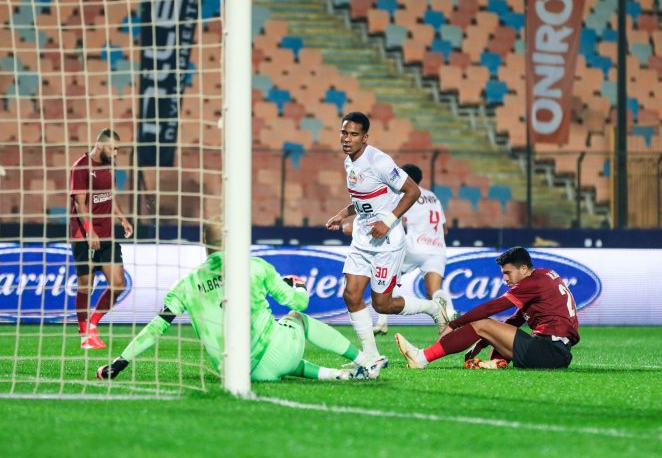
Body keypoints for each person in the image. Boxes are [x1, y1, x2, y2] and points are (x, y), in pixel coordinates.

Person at [97, 222, 386, 382]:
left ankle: (338, 375)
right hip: (276, 353)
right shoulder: (254, 265)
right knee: (297, 320)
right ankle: (365, 360)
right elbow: (299, 302)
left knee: (284, 355)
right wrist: (299, 286)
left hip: (240, 372)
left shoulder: (185, 285)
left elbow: (155, 329)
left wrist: (119, 363)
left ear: (204, 245)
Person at [325, 112, 450, 360]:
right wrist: (343, 214)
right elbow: (363, 199)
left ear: (365, 138)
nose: (347, 139)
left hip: (388, 243)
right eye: (344, 133)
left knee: (382, 305)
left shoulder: (379, 162)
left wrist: (389, 221)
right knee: (351, 294)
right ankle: (371, 355)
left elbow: (412, 192)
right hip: (362, 239)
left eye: (354, 134)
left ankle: (434, 309)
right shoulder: (349, 162)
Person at [395, 246, 579, 370]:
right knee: (490, 327)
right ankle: (497, 363)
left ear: (523, 269)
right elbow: (514, 321)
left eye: (508, 273)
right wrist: (484, 340)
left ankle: (422, 357)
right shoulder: (545, 276)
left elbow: (491, 308)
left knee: (482, 323)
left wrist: (455, 324)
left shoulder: (532, 284)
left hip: (548, 350)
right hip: (557, 353)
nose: (505, 279)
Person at [69, 128, 133, 350]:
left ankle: (93, 324)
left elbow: (110, 197)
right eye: (113, 149)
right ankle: (84, 333)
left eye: (118, 150)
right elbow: (80, 203)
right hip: (83, 236)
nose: (115, 154)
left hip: (107, 236)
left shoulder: (110, 167)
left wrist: (123, 220)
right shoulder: (81, 166)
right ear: (100, 146)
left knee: (118, 284)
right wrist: (89, 231)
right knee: (86, 286)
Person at [372, 163, 453, 335]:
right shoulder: (433, 196)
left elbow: (399, 222)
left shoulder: (406, 194)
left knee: (389, 274)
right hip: (437, 249)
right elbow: (444, 229)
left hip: (414, 246)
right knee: (434, 291)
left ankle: (382, 322)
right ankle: (449, 318)